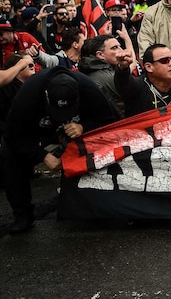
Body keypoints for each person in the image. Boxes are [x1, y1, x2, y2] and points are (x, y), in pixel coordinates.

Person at [2, 67, 116, 233]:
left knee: (100, 145)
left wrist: (84, 126)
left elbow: (109, 122)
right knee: (9, 155)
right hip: (36, 129)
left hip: (74, 129)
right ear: (46, 95)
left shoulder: (89, 88)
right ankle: (23, 215)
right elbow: (12, 135)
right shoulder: (28, 94)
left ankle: (88, 202)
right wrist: (43, 155)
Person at [115, 43, 171, 118]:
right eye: (164, 60)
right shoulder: (138, 87)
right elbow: (123, 84)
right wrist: (123, 68)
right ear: (149, 67)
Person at [78, 33, 130, 119]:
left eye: (120, 46)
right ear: (100, 55)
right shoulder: (108, 77)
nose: (121, 50)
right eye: (114, 48)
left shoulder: (93, 71)